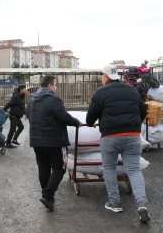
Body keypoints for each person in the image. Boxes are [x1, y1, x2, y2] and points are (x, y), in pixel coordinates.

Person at [86, 64, 150, 223]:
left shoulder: (100, 93)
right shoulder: (132, 90)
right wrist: (133, 125)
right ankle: (142, 204)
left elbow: (89, 120)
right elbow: (143, 111)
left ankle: (115, 203)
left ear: (106, 77)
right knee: (134, 170)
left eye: (102, 75)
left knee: (109, 168)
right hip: (132, 135)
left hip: (110, 136)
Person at [27, 75, 81, 211]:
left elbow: (28, 115)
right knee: (59, 168)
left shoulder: (32, 100)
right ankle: (47, 194)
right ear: (50, 85)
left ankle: (47, 196)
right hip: (54, 141)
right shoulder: (53, 99)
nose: (56, 87)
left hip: (36, 141)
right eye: (55, 85)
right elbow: (63, 117)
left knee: (43, 168)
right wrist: (76, 122)